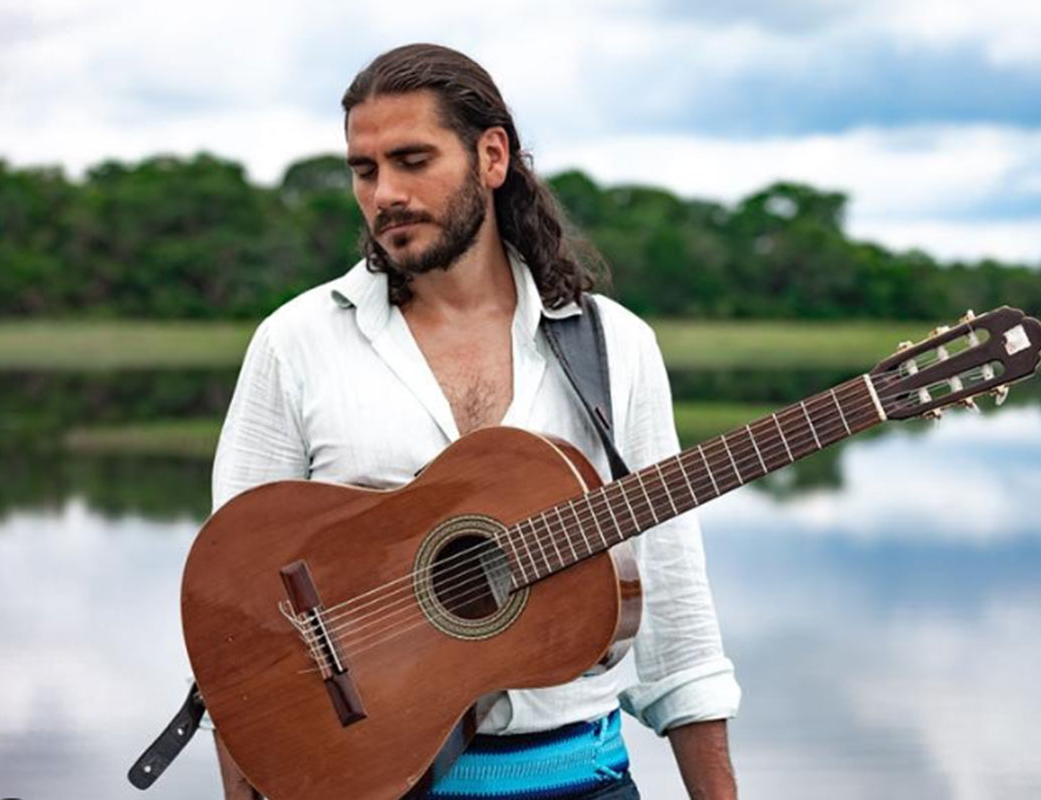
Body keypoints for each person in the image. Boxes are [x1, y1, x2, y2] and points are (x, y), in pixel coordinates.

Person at [209, 43, 740, 799]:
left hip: (583, 783)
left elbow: (677, 614)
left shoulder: (614, 346)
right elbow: (236, 618)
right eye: (365, 171)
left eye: (412, 159)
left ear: (493, 156)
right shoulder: (295, 344)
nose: (385, 192)